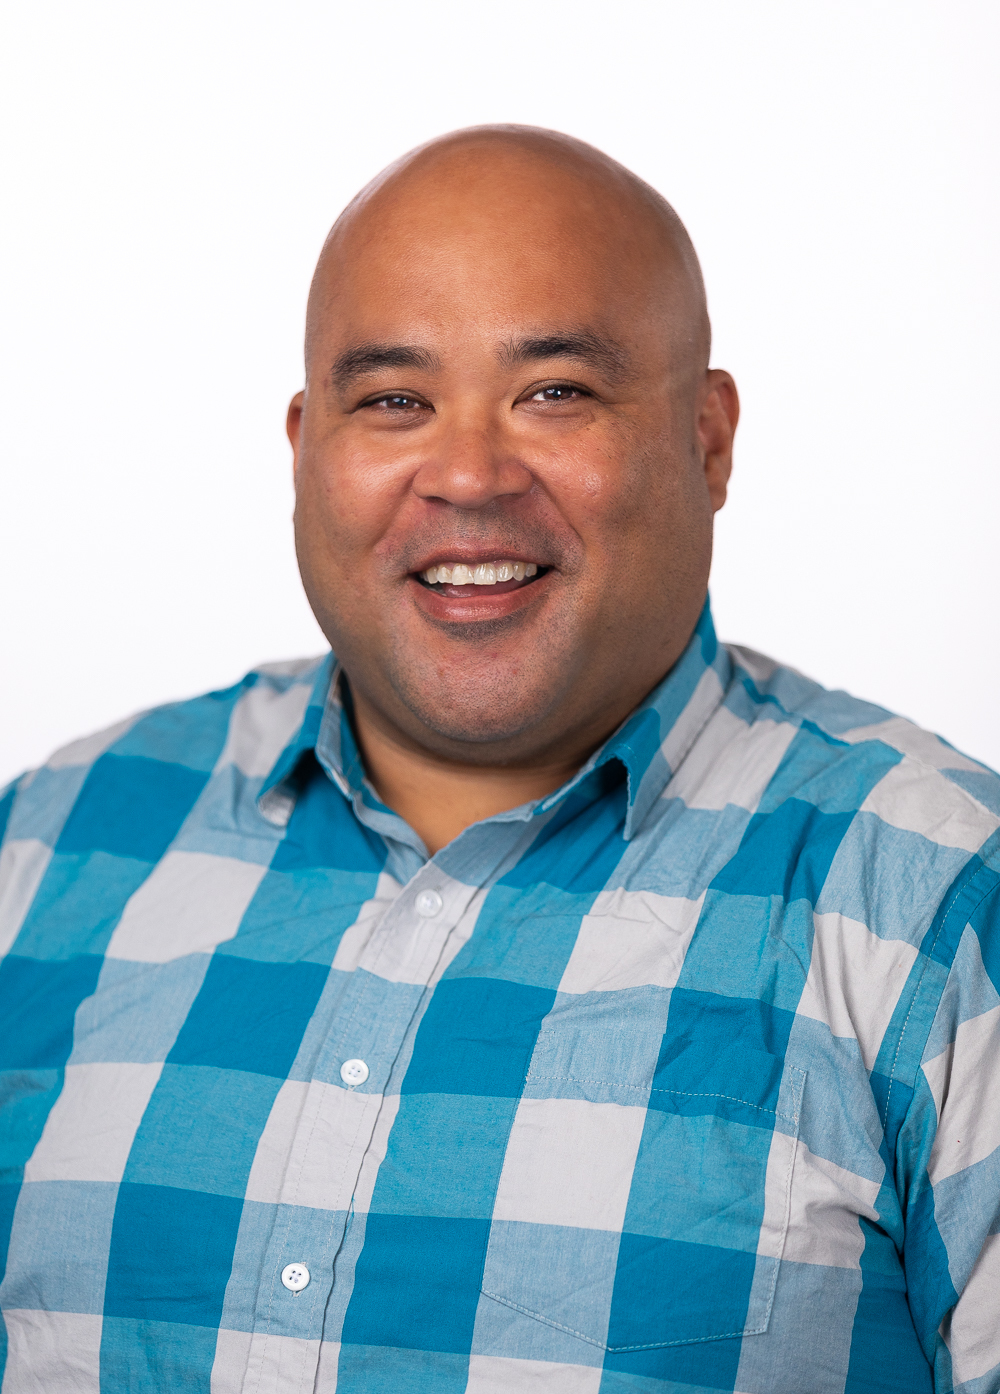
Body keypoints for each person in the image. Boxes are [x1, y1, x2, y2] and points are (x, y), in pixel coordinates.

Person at [0, 125, 997, 1394]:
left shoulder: (941, 898)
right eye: (394, 401)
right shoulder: (45, 849)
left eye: (556, 392)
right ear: (307, 448)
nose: (467, 473)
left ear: (707, 438)